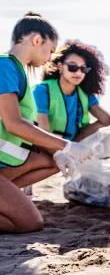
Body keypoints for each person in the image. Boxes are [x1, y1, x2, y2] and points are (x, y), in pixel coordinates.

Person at [0, 12, 94, 233]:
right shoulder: (5, 66)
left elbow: (26, 124)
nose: (50, 58)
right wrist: (67, 146)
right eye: (51, 50)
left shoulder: (16, 71)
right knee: (30, 223)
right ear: (36, 40)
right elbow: (14, 124)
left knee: (51, 160)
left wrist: (57, 153)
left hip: (5, 164)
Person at [33, 39, 110, 143]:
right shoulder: (43, 91)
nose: (78, 73)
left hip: (73, 144)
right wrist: (63, 152)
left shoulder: (85, 95)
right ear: (60, 66)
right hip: (44, 146)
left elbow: (106, 120)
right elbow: (42, 133)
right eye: (72, 67)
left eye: (83, 69)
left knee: (102, 124)